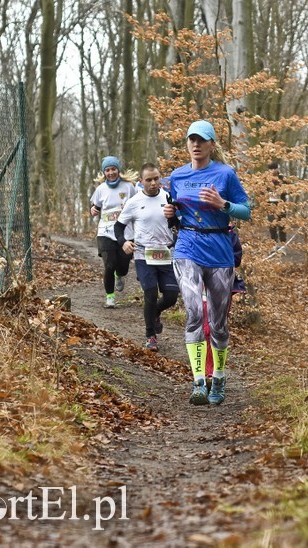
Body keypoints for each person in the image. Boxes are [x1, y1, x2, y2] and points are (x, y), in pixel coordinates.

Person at [164, 120, 251, 406]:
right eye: (192, 139)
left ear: (212, 144)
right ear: (187, 144)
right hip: (187, 247)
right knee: (193, 314)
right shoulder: (177, 176)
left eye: (202, 140)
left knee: (218, 323)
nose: (196, 144)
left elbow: (246, 211)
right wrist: (171, 214)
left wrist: (223, 204)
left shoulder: (225, 174)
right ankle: (199, 382)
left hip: (219, 251)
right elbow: (179, 213)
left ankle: (220, 378)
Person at [114, 162, 179, 352]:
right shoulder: (134, 202)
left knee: (171, 296)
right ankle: (150, 335)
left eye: (156, 179)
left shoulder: (169, 198)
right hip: (143, 254)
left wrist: (175, 220)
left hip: (166, 253)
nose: (153, 183)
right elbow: (118, 226)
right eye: (149, 180)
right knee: (150, 293)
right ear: (141, 181)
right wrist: (124, 242)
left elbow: (178, 223)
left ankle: (155, 312)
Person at [89, 156, 137, 308]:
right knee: (109, 265)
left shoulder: (128, 187)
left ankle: (120, 275)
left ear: (118, 170)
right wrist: (93, 210)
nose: (110, 173)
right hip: (106, 232)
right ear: (104, 172)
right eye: (107, 170)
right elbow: (95, 207)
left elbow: (138, 204)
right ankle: (110, 297)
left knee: (123, 266)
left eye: (113, 169)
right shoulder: (100, 189)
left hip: (125, 232)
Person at [267, 161, 288, 252]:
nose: (272, 171)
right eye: (270, 169)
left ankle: (283, 245)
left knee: (282, 225)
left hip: (281, 204)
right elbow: (261, 191)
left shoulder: (282, 178)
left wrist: (281, 191)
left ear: (277, 169)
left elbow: (289, 189)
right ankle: (274, 244)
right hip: (270, 204)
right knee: (272, 224)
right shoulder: (266, 179)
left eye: (274, 169)